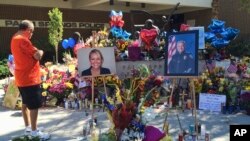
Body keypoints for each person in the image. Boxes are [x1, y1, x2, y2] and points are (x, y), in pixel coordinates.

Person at [10, 20, 50, 139]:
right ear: (28, 30)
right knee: (34, 106)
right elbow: (37, 55)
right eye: (32, 32)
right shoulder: (23, 39)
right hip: (29, 79)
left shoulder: (14, 38)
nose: (31, 35)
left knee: (25, 103)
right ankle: (34, 132)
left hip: (21, 78)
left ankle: (28, 128)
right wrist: (41, 51)